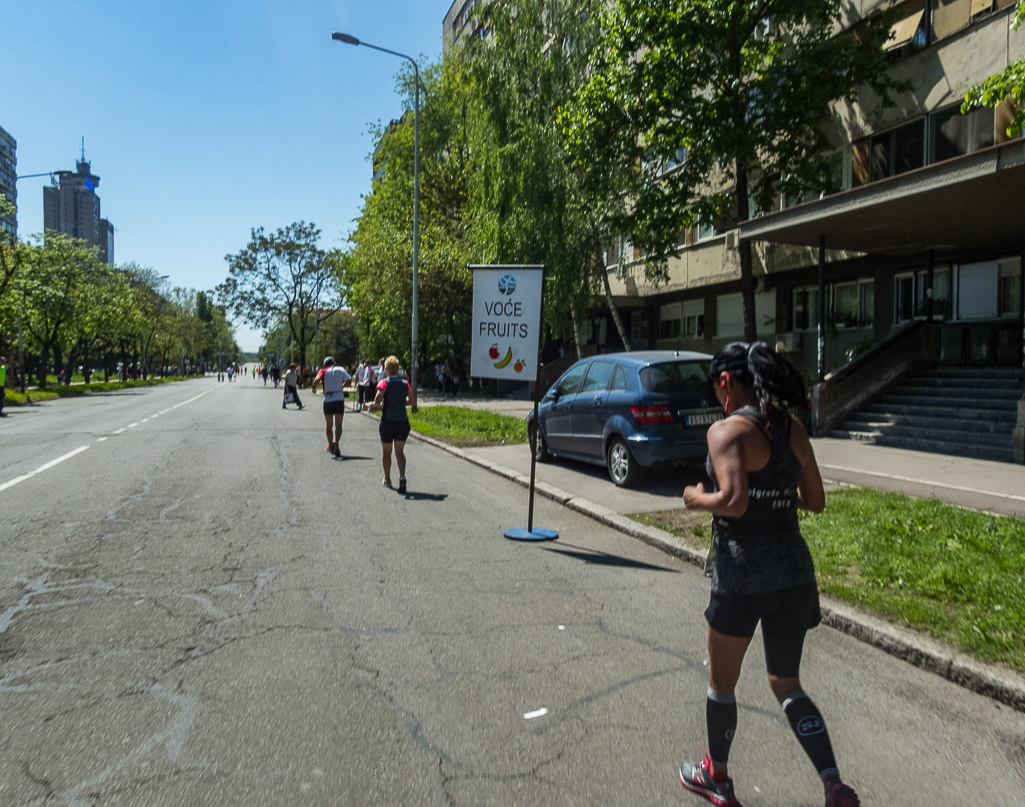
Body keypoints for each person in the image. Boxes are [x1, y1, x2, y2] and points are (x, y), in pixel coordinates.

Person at [679, 341, 859, 807]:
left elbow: (734, 501)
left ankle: (716, 778)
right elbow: (814, 500)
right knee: (786, 682)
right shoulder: (791, 428)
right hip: (793, 575)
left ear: (725, 382)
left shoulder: (726, 432)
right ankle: (832, 782)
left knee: (722, 683)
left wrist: (697, 497)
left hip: (742, 576)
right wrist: (776, 495)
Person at [370, 355, 416, 493]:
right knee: (400, 452)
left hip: (388, 421)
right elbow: (413, 401)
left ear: (386, 370)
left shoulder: (384, 382)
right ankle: (402, 476)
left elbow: (378, 399)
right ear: (398, 370)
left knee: (387, 452)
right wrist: (403, 401)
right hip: (402, 421)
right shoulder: (405, 383)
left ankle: (387, 478)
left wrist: (378, 402)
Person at [311, 356, 351, 457]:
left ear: (325, 364)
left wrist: (314, 389)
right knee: (339, 425)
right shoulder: (341, 369)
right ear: (334, 363)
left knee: (329, 426)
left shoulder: (323, 371)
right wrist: (342, 386)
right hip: (339, 399)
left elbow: (316, 380)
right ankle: (336, 441)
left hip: (328, 400)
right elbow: (349, 380)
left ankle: (330, 445)